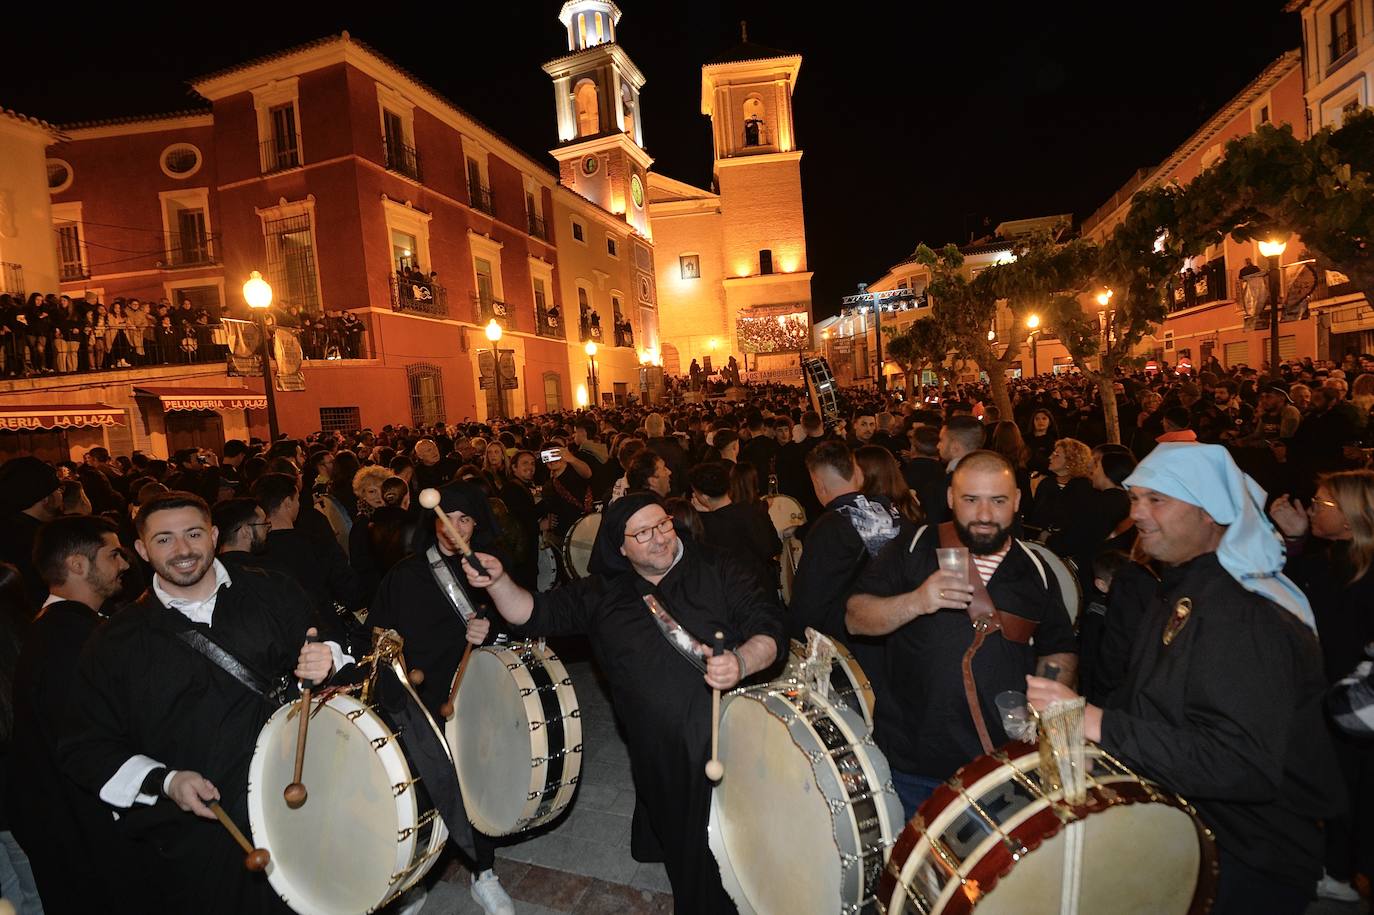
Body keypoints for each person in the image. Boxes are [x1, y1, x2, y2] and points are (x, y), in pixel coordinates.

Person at [1026, 443, 1345, 915]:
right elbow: (1157, 708)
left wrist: (1095, 723)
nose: (1138, 514)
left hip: (1249, 862)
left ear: (1210, 514)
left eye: (1158, 500)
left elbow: (1240, 763)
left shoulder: (1247, 614)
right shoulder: (1181, 588)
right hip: (1196, 842)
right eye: (1136, 499)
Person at [461, 492, 785, 912]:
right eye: (643, 533)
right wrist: (500, 581)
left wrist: (741, 661)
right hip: (654, 743)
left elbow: (770, 628)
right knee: (680, 833)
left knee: (718, 845)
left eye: (664, 524)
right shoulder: (600, 592)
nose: (659, 538)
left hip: (728, 735)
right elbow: (531, 613)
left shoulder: (721, 566)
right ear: (620, 546)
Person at [59, 492, 346, 914]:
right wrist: (167, 781)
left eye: (193, 534)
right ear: (140, 549)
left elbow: (335, 652)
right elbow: (84, 747)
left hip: (296, 798)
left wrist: (329, 661)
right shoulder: (115, 642)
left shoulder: (273, 591)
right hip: (200, 834)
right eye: (164, 540)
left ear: (213, 536)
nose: (182, 550)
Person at [847, 450, 1077, 818]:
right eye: (971, 500)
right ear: (951, 498)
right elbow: (856, 616)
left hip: (1000, 769)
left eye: (998, 501)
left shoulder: (1037, 570)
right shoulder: (913, 546)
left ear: (1017, 501)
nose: (984, 515)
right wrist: (918, 601)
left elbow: (1058, 649)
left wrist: (1043, 708)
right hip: (912, 765)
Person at [367, 482, 514, 915]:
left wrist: (492, 633)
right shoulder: (404, 573)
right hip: (418, 700)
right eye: (448, 516)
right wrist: (392, 656)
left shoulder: (491, 571)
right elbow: (376, 636)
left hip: (475, 693)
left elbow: (521, 628)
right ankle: (416, 880)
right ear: (433, 520)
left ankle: (483, 872)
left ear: (477, 525)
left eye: (466, 519)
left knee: (475, 783)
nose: (456, 526)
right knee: (421, 791)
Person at [9, 516, 148, 912]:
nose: (123, 564)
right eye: (113, 554)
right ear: (77, 564)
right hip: (86, 843)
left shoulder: (56, 629)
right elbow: (89, 752)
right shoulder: (74, 642)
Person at [1270, 470, 1374, 903]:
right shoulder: (1340, 557)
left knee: (1353, 790)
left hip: (1355, 704)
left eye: (1321, 503)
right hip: (1338, 696)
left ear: (1352, 519)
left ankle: (1345, 872)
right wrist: (1296, 540)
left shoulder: (1363, 575)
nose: (1310, 508)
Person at [688, 461, 780, 596]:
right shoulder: (753, 510)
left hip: (732, 594)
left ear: (704, 497)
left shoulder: (704, 526)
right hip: (762, 588)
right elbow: (774, 547)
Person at [0, 457, 64, 610]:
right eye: (58, 489)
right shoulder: (41, 540)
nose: (61, 494)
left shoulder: (10, 529)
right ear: (46, 499)